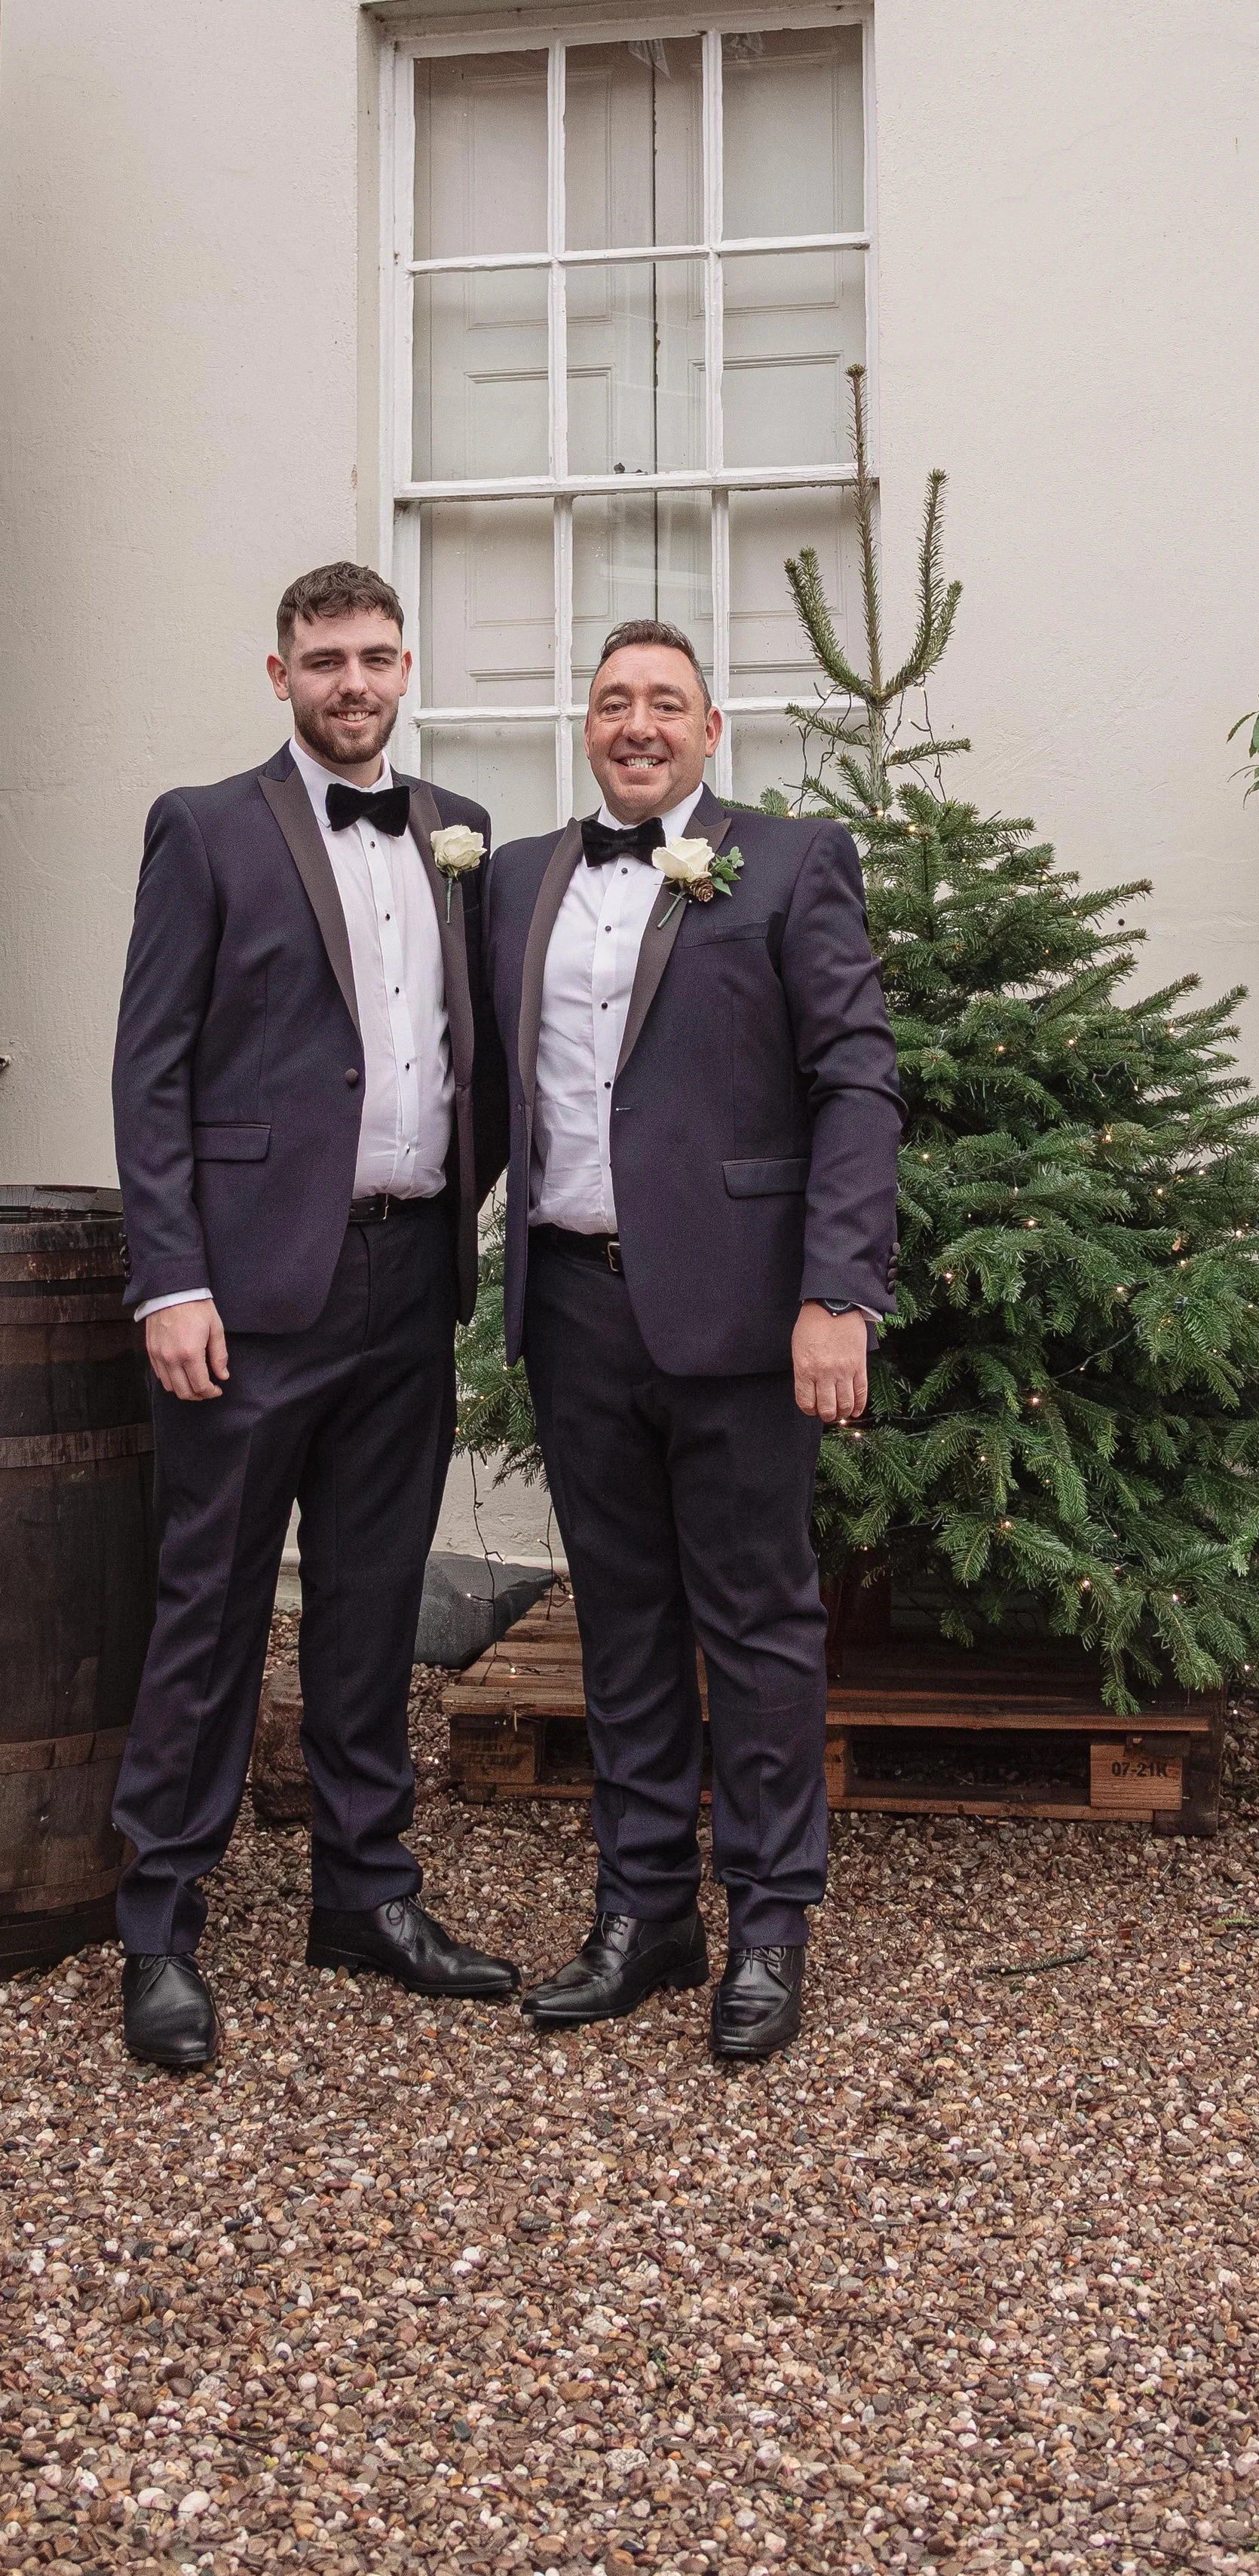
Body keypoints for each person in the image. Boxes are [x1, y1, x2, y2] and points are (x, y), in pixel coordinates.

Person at [110, 561, 516, 2072]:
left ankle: (364, 1893)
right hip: (246, 1295)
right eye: (325, 659)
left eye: (376, 656)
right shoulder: (205, 828)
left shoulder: (457, 832)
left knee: (371, 1601)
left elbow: (477, 1056)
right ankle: (159, 1922)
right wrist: (172, 1277)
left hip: (407, 1282)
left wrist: (460, 1209)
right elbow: (151, 1069)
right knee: (211, 1603)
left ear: (406, 669)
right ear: (280, 674)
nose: (354, 682)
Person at [484, 619, 902, 2059]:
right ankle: (645, 1910)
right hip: (573, 1304)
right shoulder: (520, 879)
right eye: (615, 701)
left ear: (712, 730)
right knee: (623, 1621)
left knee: (759, 1623)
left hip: (740, 1315)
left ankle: (771, 1926)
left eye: (667, 701)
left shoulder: (789, 862)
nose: (639, 723)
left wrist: (837, 1294)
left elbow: (856, 1084)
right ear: (587, 727)